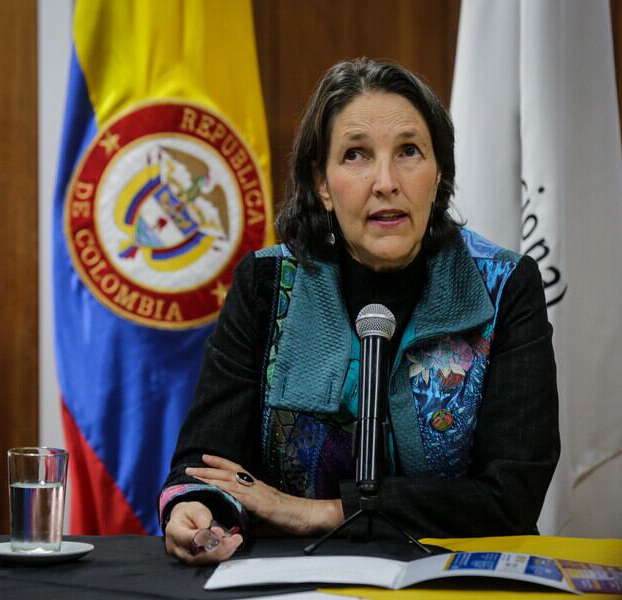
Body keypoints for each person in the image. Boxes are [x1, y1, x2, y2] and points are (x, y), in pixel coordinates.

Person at [158, 57, 560, 565]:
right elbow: (206, 464)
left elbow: (511, 497)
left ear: (439, 174)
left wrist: (323, 511)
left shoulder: (504, 286)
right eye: (355, 155)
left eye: (409, 152)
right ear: (322, 184)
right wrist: (195, 510)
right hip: (295, 580)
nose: (386, 181)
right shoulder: (267, 285)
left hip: (456, 578)